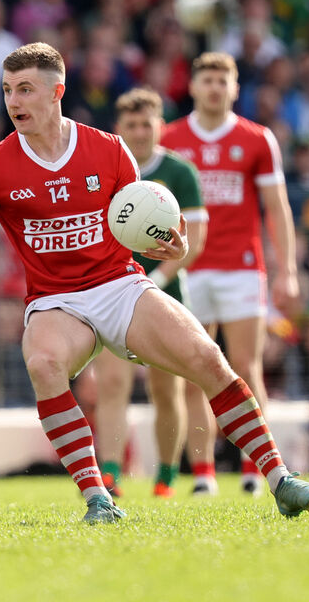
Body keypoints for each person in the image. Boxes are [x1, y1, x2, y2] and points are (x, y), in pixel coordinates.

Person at [0, 43, 309, 523]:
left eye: (26, 89)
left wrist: (171, 245)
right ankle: (98, 498)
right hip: (56, 301)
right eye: (7, 90)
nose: (13, 101)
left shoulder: (109, 149)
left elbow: (143, 226)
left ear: (57, 92)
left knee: (207, 357)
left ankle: (281, 480)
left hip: (119, 286)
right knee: (43, 363)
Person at [159, 52, 300, 496]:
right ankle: (203, 474)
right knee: (195, 372)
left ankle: (254, 471)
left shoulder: (257, 139)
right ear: (193, 87)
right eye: (207, 79)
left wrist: (288, 269)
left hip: (242, 267)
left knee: (246, 368)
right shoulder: (170, 138)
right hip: (190, 268)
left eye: (223, 80)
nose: (215, 87)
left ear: (235, 88)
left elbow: (277, 206)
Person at [93, 87, 209, 499]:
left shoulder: (179, 172)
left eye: (147, 124)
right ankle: (110, 476)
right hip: (113, 289)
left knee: (165, 389)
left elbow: (195, 240)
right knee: (112, 384)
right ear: (118, 128)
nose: (140, 132)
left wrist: (156, 279)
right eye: (132, 125)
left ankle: (166, 477)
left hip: (166, 293)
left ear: (160, 126)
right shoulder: (105, 171)